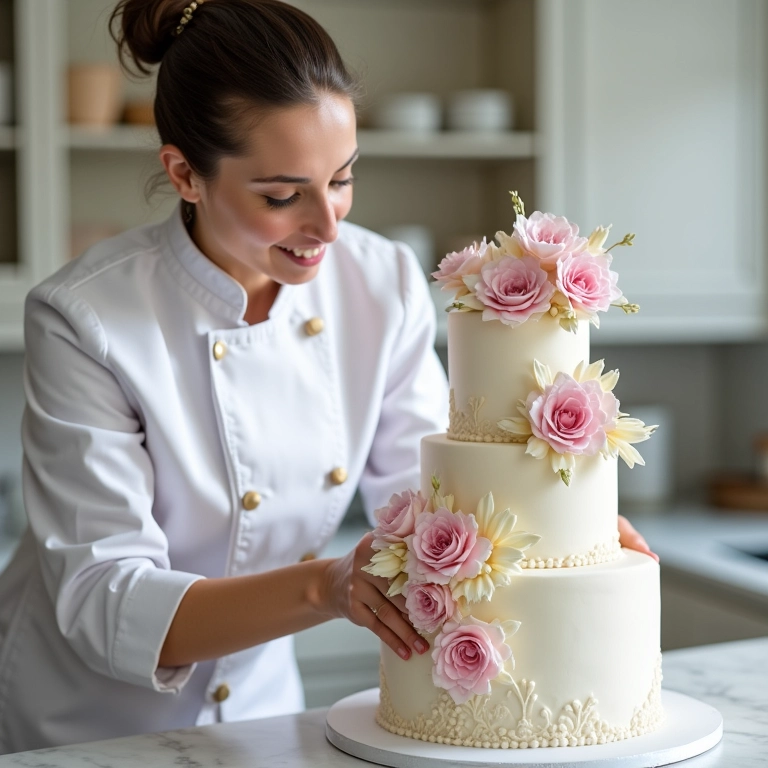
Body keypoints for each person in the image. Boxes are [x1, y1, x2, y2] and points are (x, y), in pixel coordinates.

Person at [0, 0, 657, 754]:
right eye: (283, 196)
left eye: (342, 179)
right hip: (84, 722)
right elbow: (102, 599)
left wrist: (553, 539)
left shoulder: (381, 283)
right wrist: (325, 586)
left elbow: (426, 499)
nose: (329, 226)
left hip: (259, 705)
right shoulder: (86, 317)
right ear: (184, 173)